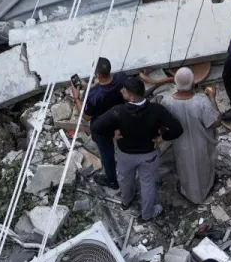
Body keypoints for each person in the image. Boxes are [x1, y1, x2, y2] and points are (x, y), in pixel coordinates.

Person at [91, 76, 183, 221]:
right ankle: (147, 214)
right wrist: (162, 138)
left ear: (131, 96)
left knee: (124, 179)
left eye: (124, 91)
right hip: (149, 154)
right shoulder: (156, 110)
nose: (122, 91)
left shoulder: (118, 111)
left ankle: (126, 201)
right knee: (147, 184)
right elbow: (177, 129)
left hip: (126, 154)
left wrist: (112, 133)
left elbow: (96, 127)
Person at [161, 66, 220, 204]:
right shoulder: (201, 102)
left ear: (175, 83)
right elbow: (216, 123)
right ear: (193, 83)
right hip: (201, 143)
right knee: (203, 167)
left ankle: (188, 193)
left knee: (185, 168)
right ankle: (204, 191)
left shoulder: (167, 102)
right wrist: (212, 98)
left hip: (180, 144)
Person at [74, 57, 127, 189]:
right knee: (124, 143)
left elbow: (86, 117)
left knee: (107, 153)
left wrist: (76, 98)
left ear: (97, 74)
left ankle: (112, 181)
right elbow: (107, 85)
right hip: (121, 119)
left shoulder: (93, 96)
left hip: (102, 126)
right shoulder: (121, 78)